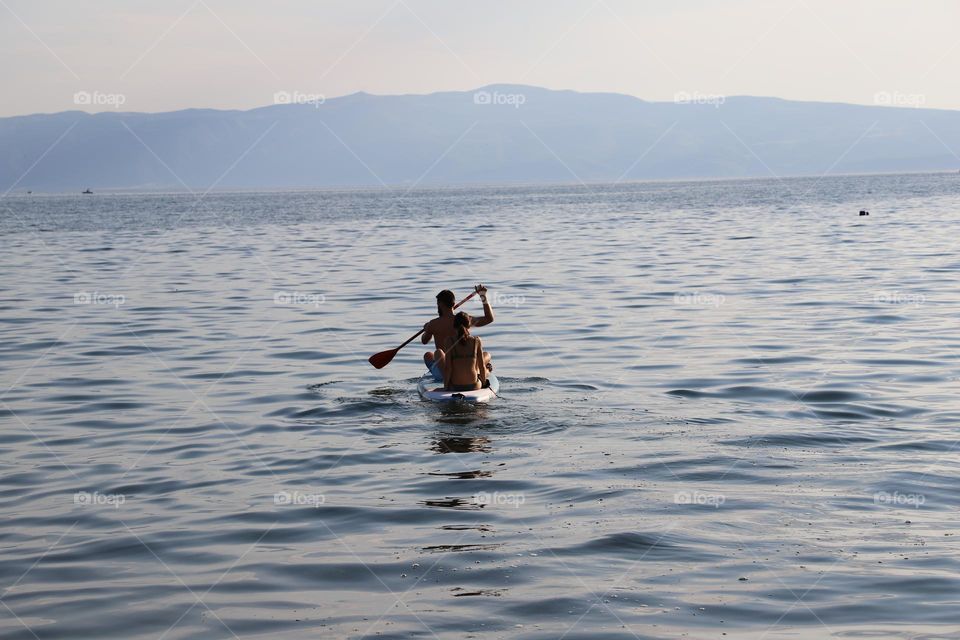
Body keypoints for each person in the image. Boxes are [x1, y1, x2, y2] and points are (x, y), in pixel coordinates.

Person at [422, 284, 494, 382]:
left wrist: (427, 329)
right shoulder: (464, 320)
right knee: (487, 355)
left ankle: (446, 377)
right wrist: (483, 296)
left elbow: (424, 341)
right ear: (453, 303)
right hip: (466, 367)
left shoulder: (433, 324)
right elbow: (489, 319)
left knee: (428, 355)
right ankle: (483, 370)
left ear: (440, 304)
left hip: (443, 373)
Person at [443, 312, 487, 391]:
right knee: (484, 368)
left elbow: (448, 368)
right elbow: (481, 366)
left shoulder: (449, 341)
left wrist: (446, 387)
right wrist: (483, 383)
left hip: (455, 386)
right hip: (474, 385)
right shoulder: (476, 340)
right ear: (469, 325)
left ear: (454, 326)